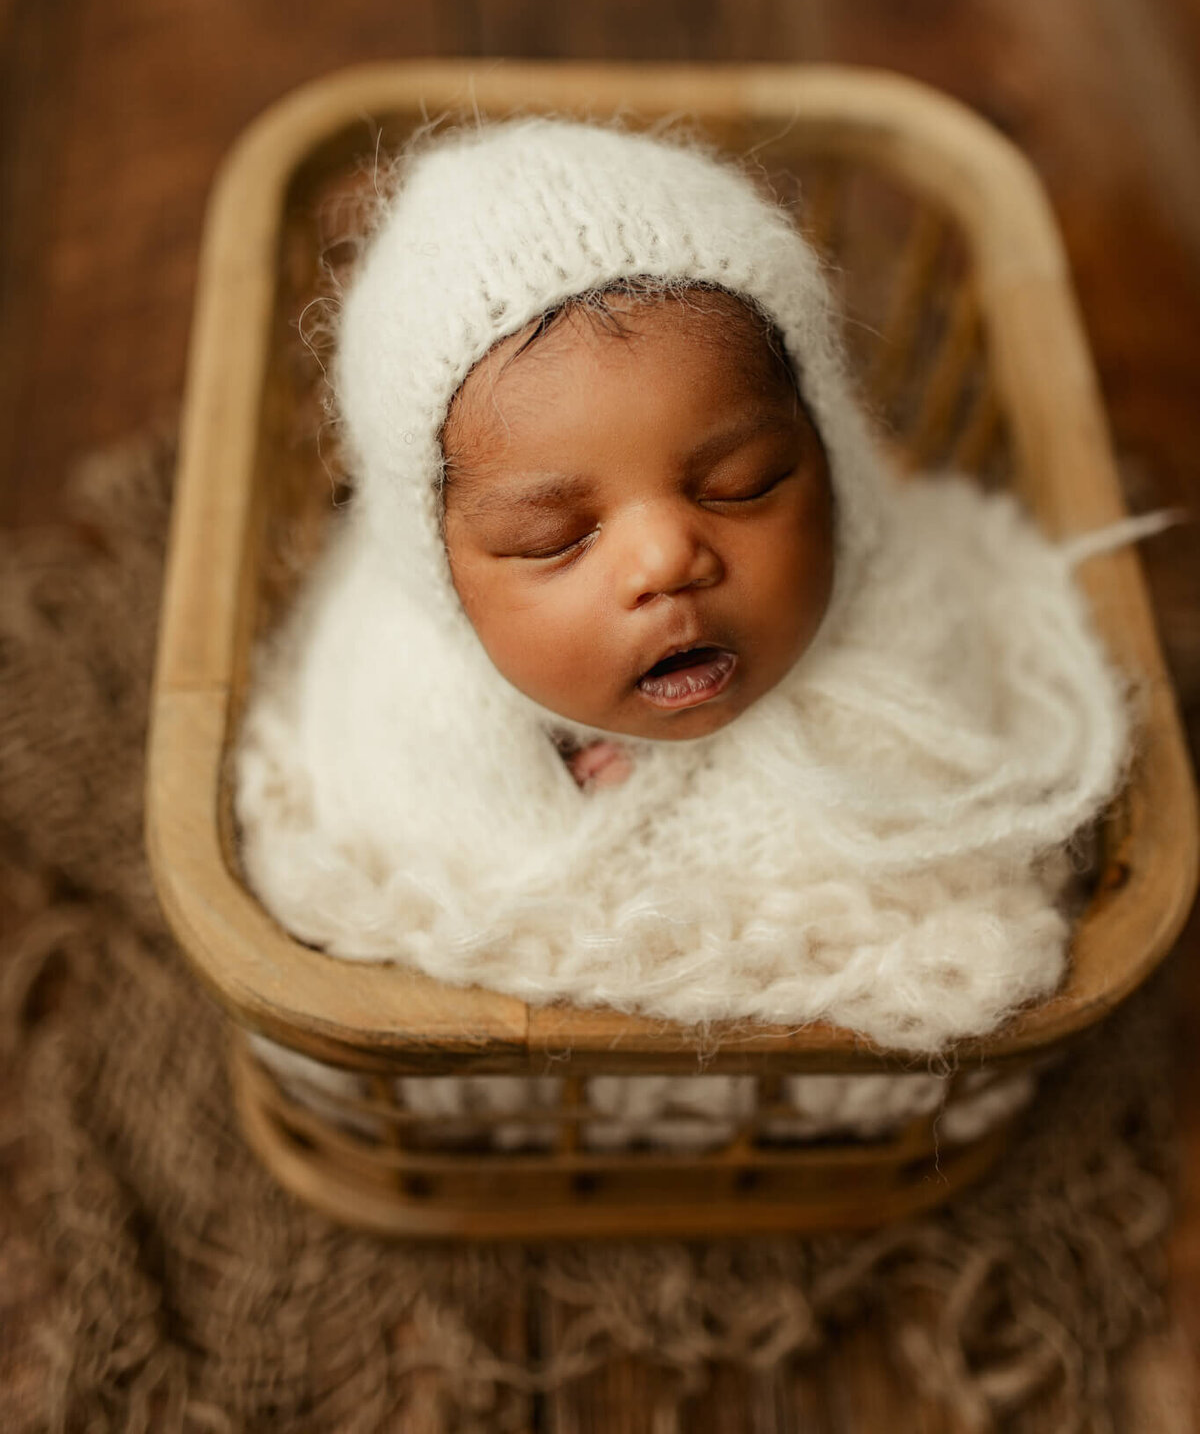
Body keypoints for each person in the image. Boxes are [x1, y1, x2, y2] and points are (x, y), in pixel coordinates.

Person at [237, 117, 1128, 1063]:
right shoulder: (400, 707)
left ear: (830, 460)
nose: (667, 559)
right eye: (554, 539)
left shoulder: (908, 639)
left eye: (741, 484)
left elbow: (961, 846)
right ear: (442, 576)